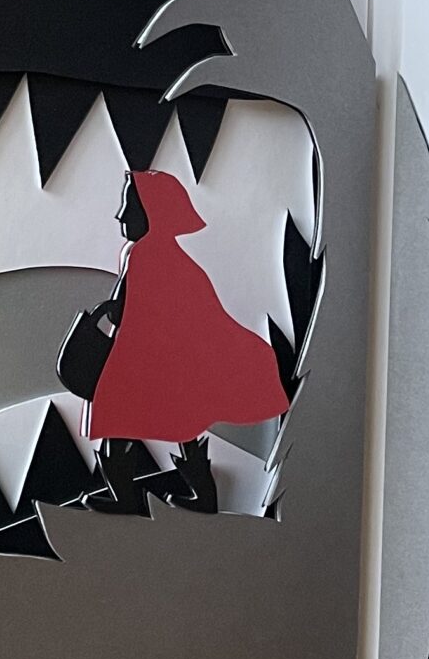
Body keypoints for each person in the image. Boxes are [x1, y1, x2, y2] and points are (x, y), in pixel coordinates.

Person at [58, 169, 289, 513]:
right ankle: (201, 496)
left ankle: (128, 498)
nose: (120, 215)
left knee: (121, 424)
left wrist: (109, 312)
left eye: (129, 207)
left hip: (142, 364)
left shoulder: (144, 255)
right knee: (176, 425)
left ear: (152, 212)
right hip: (155, 363)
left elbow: (127, 309)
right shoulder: (167, 257)